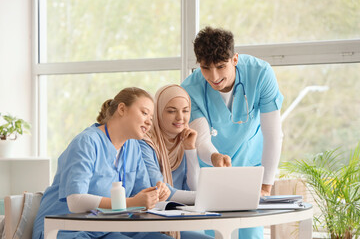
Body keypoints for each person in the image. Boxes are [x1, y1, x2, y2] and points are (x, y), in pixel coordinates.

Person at [181, 27, 284, 239]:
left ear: (234, 58)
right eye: (206, 68)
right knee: (213, 233)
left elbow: (273, 133)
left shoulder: (261, 74)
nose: (214, 76)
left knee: (249, 232)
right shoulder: (191, 88)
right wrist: (214, 156)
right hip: (211, 170)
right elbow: (201, 139)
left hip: (249, 168)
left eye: (221, 66)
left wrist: (266, 185)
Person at [32, 87, 172, 239]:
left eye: (151, 118)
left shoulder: (133, 147)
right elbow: (75, 201)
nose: (148, 122)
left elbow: (141, 195)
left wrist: (155, 195)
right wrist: (130, 202)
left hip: (106, 229)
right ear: (122, 109)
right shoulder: (87, 142)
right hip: (67, 230)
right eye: (144, 113)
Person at [139, 84, 213, 239]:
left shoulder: (183, 140)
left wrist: (190, 149)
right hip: (152, 221)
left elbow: (194, 186)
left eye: (185, 111)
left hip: (180, 219)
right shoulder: (144, 143)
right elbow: (161, 190)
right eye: (171, 111)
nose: (180, 117)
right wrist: (207, 197)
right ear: (158, 112)